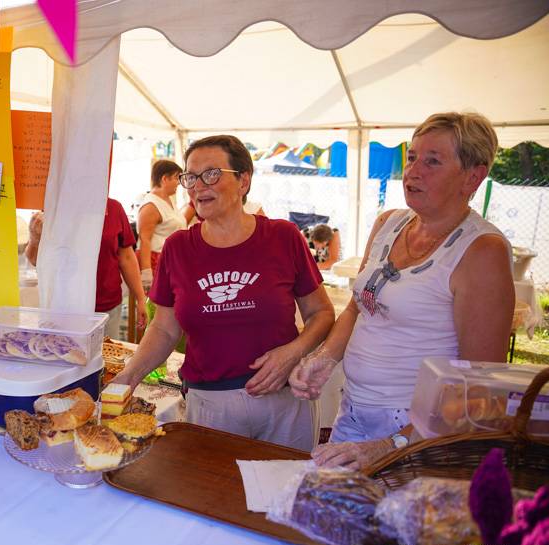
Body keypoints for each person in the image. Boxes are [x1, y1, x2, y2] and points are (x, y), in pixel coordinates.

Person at [290, 111, 515, 469]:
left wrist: (393, 443)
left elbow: (480, 389)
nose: (413, 171)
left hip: (420, 432)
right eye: (411, 157)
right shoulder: (389, 223)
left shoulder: (481, 251)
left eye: (433, 161)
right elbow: (356, 308)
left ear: (474, 176)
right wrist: (325, 358)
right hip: (355, 413)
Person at [110, 135, 334, 451]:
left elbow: (321, 313)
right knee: (210, 495)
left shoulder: (283, 236)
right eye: (190, 176)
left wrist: (294, 352)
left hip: (283, 400)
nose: (198, 186)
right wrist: (127, 377)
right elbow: (164, 328)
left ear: (244, 180)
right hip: (211, 405)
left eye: (211, 174)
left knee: (284, 495)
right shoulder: (178, 247)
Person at [25, 198, 149, 339]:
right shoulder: (56, 206)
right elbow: (35, 260)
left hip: (107, 308)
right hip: (65, 308)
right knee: (66, 355)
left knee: (105, 356)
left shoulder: (114, 208)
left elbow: (126, 257)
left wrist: (140, 298)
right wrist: (34, 238)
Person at [136, 160, 192, 289]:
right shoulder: (151, 205)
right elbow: (144, 239)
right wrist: (146, 273)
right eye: (176, 178)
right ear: (165, 178)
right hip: (156, 260)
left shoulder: (169, 200)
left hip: (172, 259)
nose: (179, 182)